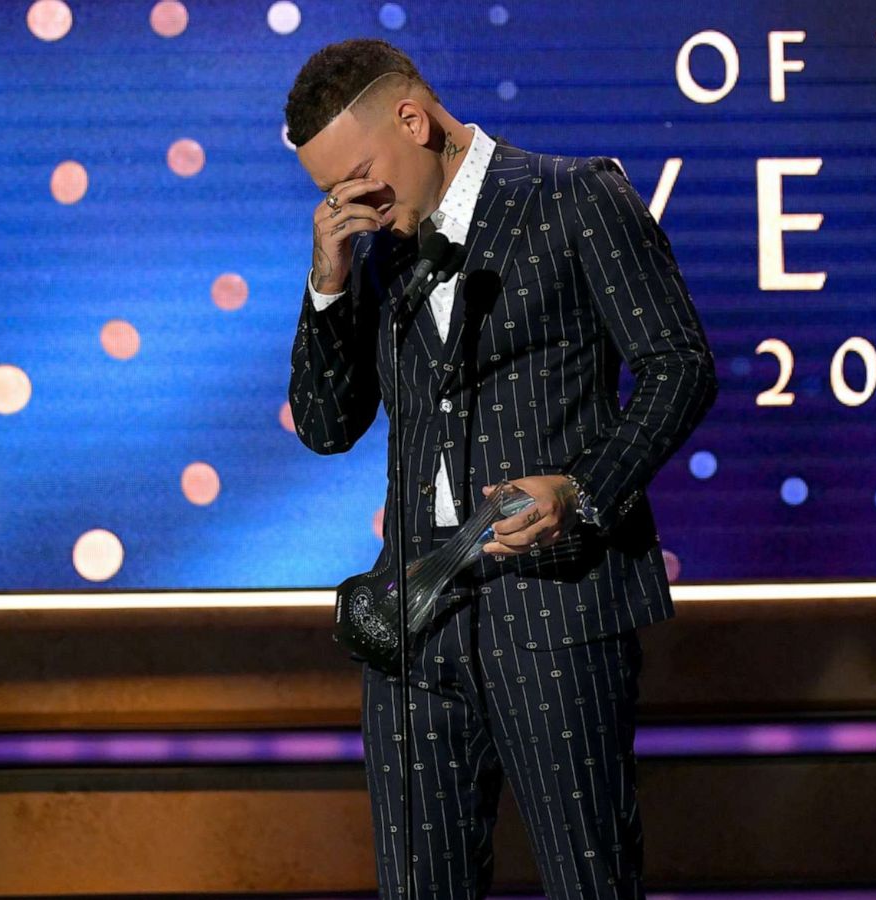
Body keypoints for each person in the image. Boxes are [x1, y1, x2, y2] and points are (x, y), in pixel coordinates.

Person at [284, 38, 717, 900]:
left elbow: (680, 367)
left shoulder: (573, 197)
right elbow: (329, 429)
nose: (352, 202)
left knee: (588, 882)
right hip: (414, 621)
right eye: (331, 191)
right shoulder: (375, 246)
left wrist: (586, 490)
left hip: (555, 610)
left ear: (415, 118)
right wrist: (328, 282)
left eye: (360, 174)